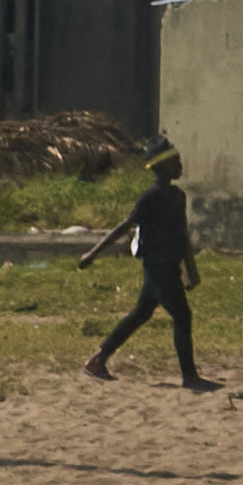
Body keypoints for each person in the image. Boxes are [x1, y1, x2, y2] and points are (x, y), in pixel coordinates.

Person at [84, 146, 214, 389]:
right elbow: (124, 226)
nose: (180, 165)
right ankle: (190, 377)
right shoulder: (150, 198)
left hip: (169, 266)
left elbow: (182, 234)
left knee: (141, 314)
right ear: (161, 167)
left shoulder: (178, 196)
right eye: (175, 161)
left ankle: (98, 360)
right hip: (158, 266)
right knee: (182, 316)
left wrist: (190, 269)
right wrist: (93, 252)